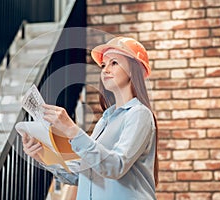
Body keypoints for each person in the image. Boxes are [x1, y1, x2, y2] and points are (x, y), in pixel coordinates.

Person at [22, 37, 159, 200]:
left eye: (114, 63)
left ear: (134, 70)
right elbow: (84, 173)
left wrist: (72, 130)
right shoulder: (105, 120)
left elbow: (116, 166)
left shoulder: (138, 114)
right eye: (103, 65)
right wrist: (43, 156)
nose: (105, 70)